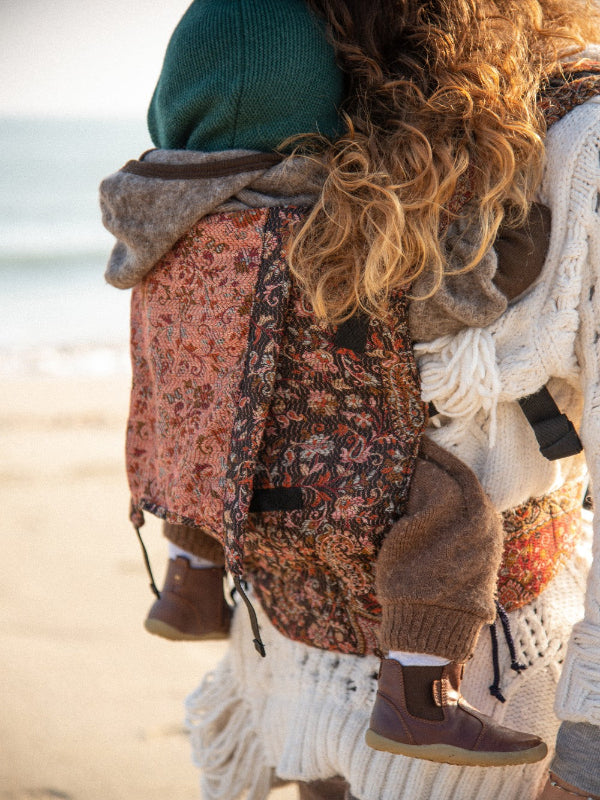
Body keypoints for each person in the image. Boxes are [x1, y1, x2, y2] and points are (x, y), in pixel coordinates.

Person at [100, 0, 600, 797]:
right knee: (450, 518)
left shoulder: (154, 211)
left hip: (255, 520)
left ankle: (191, 578)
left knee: (191, 445)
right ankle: (417, 694)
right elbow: (456, 295)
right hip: (351, 526)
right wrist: (523, 240)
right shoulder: (339, 216)